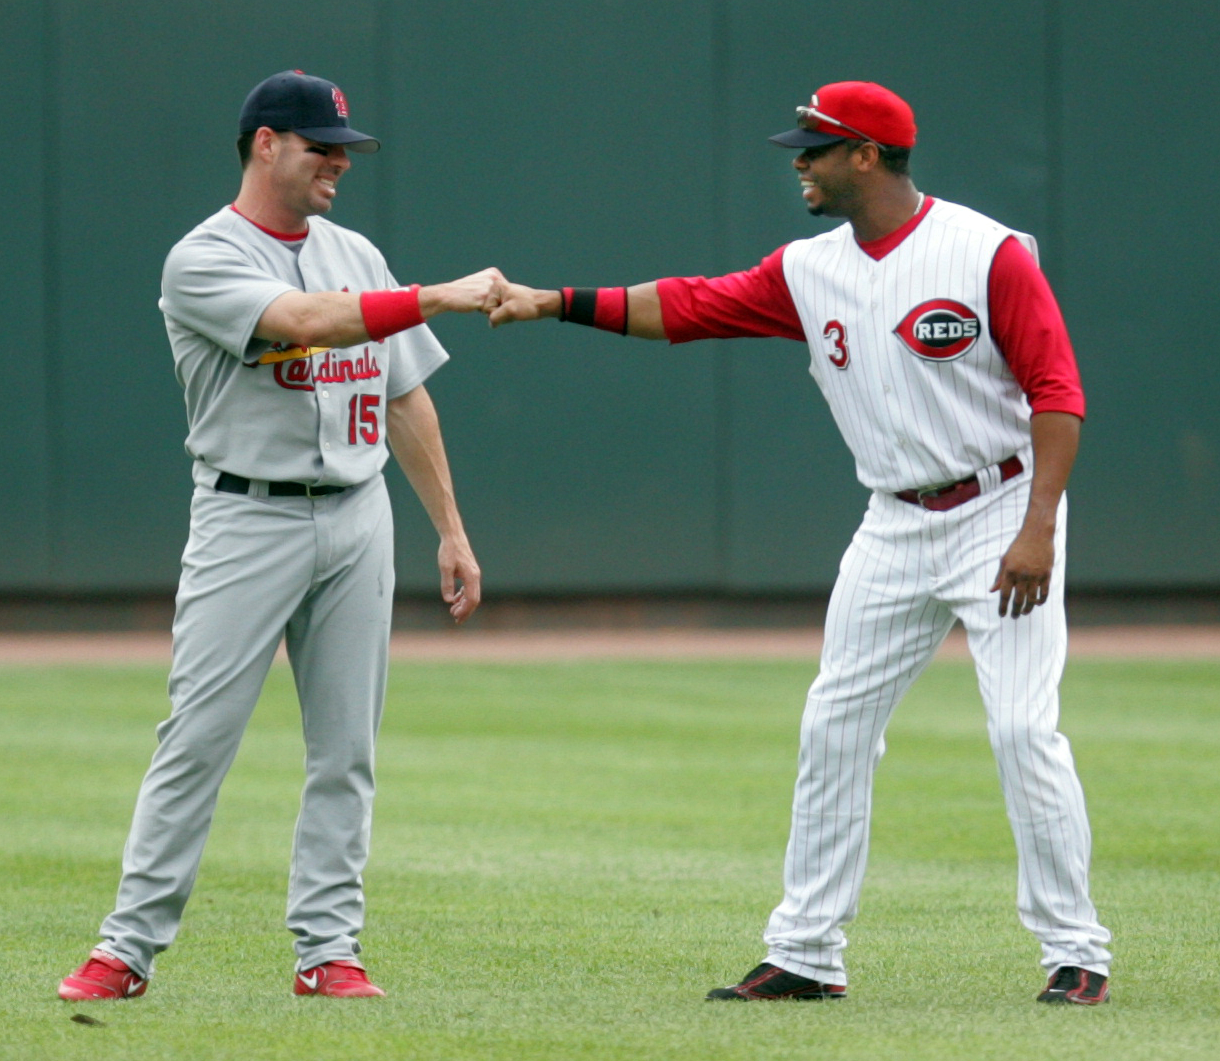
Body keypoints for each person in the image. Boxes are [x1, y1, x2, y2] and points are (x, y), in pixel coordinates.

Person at [488, 81, 1112, 1005]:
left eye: (814, 149)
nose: (799, 163)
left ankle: (1076, 952)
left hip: (1000, 508)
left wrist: (1038, 527)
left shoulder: (985, 255)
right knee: (834, 724)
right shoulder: (809, 268)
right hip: (894, 522)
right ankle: (808, 954)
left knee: (1023, 728)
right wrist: (552, 302)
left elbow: (1057, 392)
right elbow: (690, 306)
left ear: (865, 155)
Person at [59, 70, 501, 1001]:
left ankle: (328, 951)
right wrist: (439, 294)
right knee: (198, 737)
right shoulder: (202, 258)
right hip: (244, 514)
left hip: (357, 512)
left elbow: (404, 392)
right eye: (319, 144)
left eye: (345, 146)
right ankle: (126, 948)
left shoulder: (356, 250)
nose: (339, 159)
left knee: (347, 747)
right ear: (265, 143)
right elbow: (301, 321)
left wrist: (450, 529)